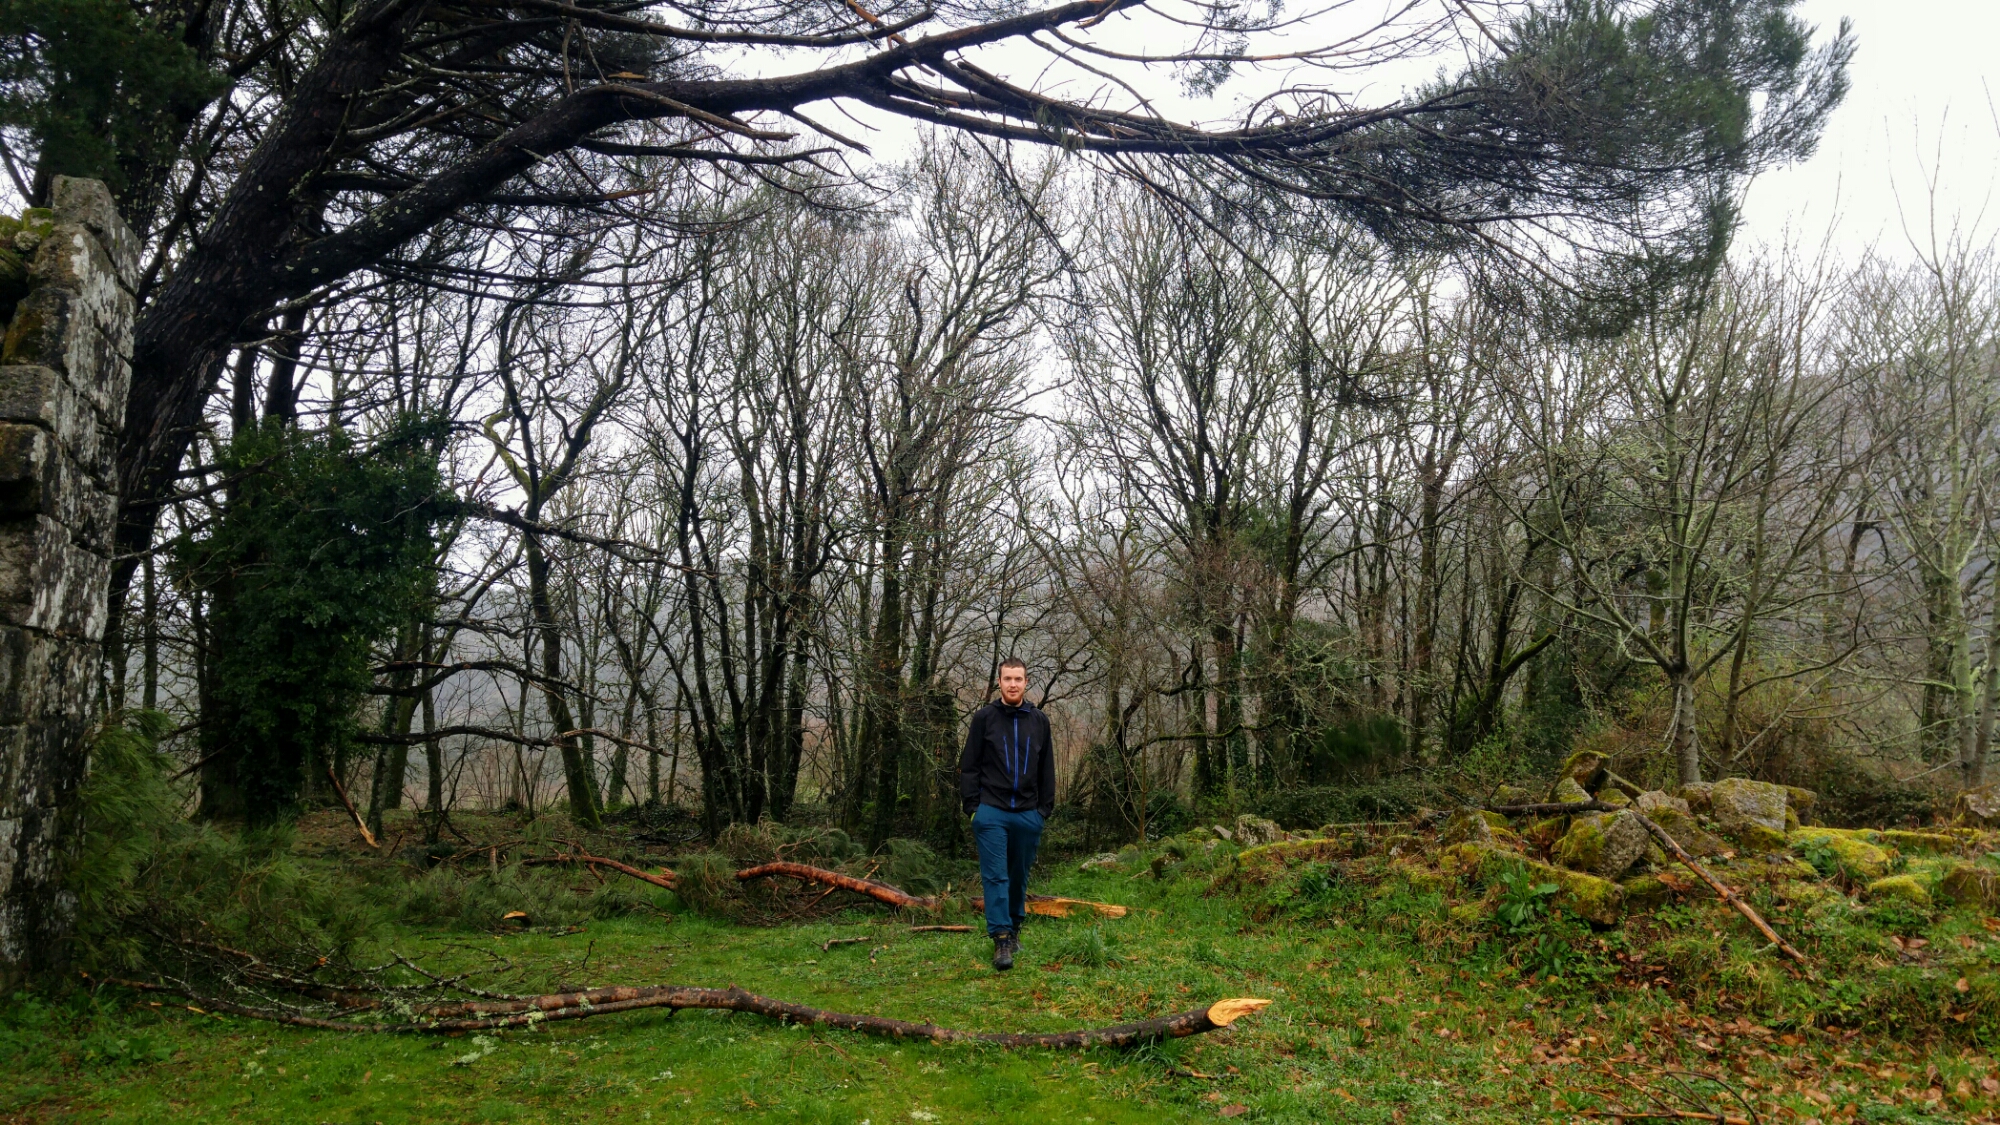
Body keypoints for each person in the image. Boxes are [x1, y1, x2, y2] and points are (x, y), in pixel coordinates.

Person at [959, 657, 1054, 971]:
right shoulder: (984, 718)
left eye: (1018, 679)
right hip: (991, 811)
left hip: (1028, 814)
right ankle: (1001, 939)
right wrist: (974, 809)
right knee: (995, 876)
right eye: (1007, 679)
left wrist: (1043, 811)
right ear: (999, 682)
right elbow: (969, 765)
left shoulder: (1039, 721)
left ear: (1026, 682)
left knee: (1017, 875)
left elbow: (1047, 769)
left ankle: (1014, 929)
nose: (1013, 684)